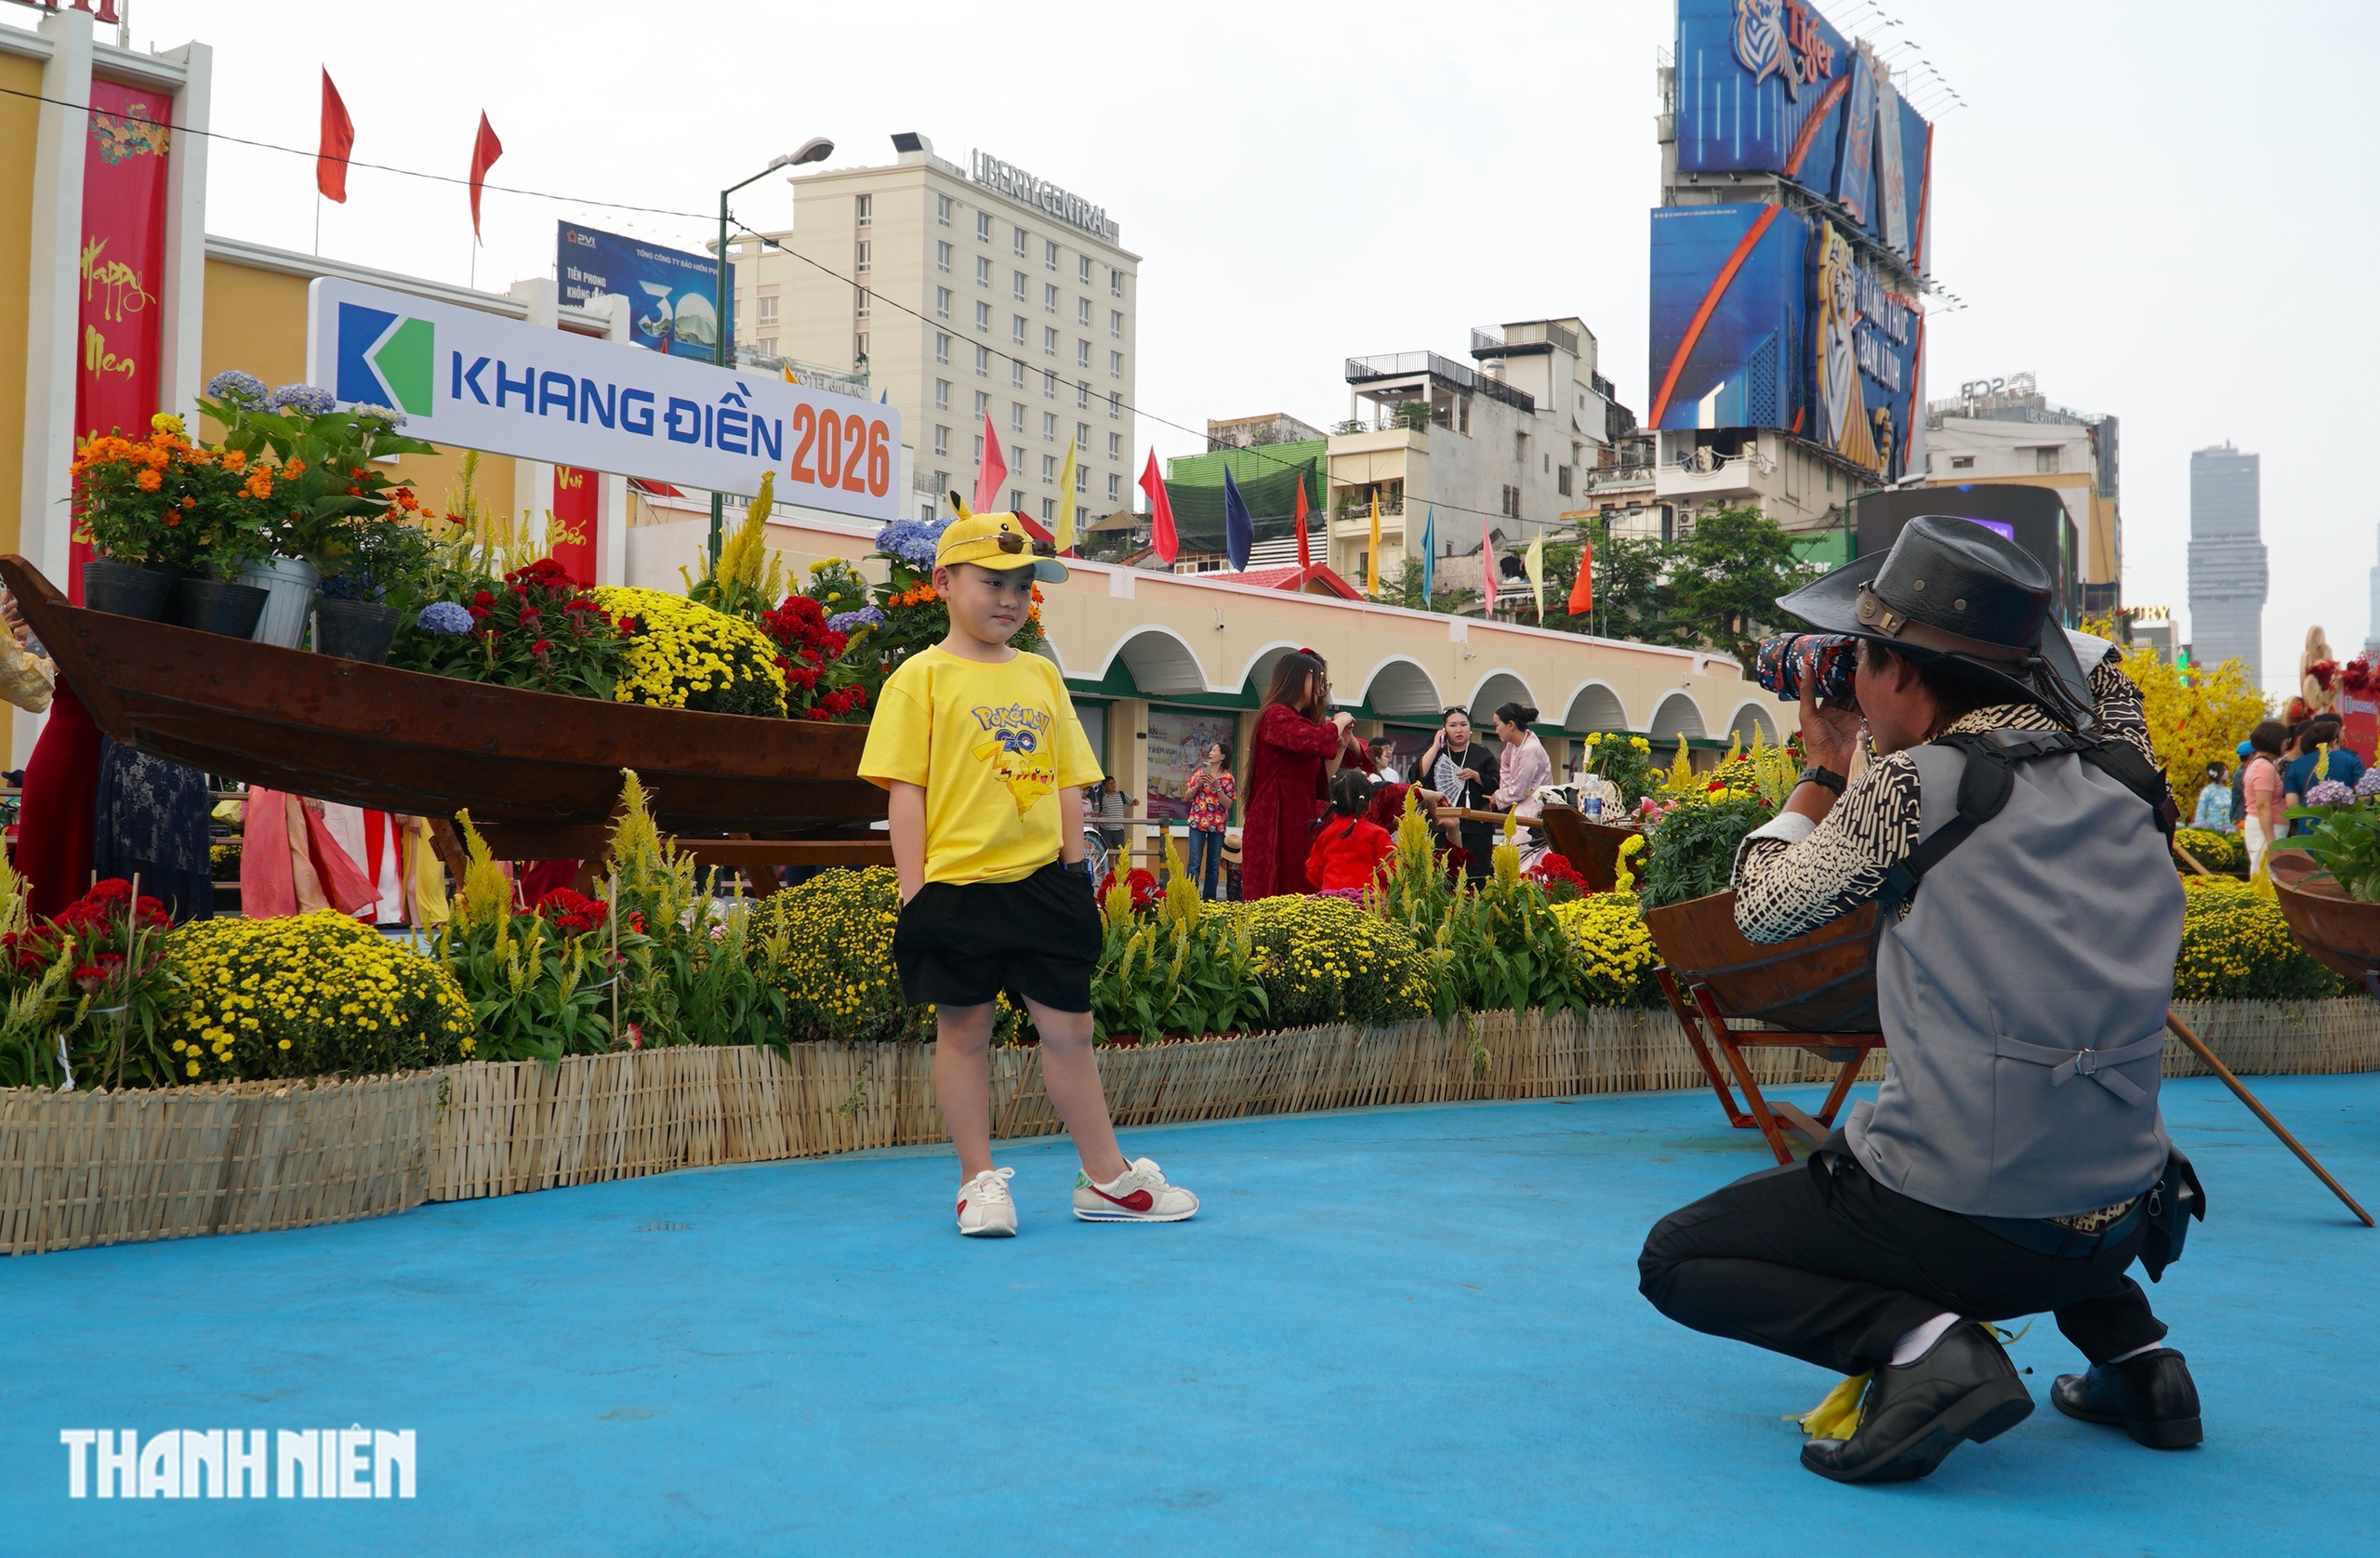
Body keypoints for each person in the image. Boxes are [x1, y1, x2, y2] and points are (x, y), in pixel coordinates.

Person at [1637, 515, 2202, 1485]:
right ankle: (2145, 1364)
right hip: (2127, 1212)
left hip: (1975, 1227)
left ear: (1898, 672)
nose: (1851, 682)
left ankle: (1928, 1349)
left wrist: (1823, 769)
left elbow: (1762, 910)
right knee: (2055, 1112)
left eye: (1859, 658)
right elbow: (2101, 678)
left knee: (1675, 1257)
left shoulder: (1914, 785)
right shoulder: (2126, 774)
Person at [860, 511, 1197, 1237]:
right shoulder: (919, 678)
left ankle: (1105, 1178)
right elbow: (905, 793)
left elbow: (1070, 781)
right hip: (956, 885)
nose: (1009, 599)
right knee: (965, 1031)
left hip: (1044, 883)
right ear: (943, 582)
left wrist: (1076, 874)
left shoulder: (1040, 674)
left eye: (1021, 586)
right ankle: (976, 1181)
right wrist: (916, 894)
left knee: (1071, 1030)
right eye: (992, 583)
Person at [1241, 649, 1371, 899]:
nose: (1322, 690)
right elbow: (1315, 739)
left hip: (1299, 820)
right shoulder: (1276, 715)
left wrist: (1341, 745)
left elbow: (1320, 784)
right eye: (1319, 680)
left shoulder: (1300, 722)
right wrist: (1339, 722)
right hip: (1274, 821)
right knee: (1275, 891)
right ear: (1298, 677)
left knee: (1300, 889)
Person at [1418, 706, 1501, 879]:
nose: (1459, 730)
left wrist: (1476, 776)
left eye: (1463, 724)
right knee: (1442, 878)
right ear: (1444, 730)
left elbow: (1497, 785)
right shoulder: (1437, 754)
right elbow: (1418, 776)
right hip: (1441, 827)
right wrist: (1435, 745)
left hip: (1476, 829)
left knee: (1476, 878)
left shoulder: (1482, 753)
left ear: (1469, 728)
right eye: (1453, 725)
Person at [1305, 770, 1395, 892]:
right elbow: (1391, 871)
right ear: (1368, 804)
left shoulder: (1325, 835)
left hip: (1331, 899)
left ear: (1332, 803)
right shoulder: (1377, 834)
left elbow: (1313, 872)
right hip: (1368, 899)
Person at [1488, 702, 1553, 866]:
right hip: (1519, 808)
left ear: (1510, 725)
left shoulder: (1530, 749)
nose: (1496, 731)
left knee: (1522, 863)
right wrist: (1505, 792)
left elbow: (1520, 791)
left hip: (1533, 809)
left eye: (1497, 725)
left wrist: (1499, 796)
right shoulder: (1512, 745)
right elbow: (1505, 767)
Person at [2282, 715, 2363, 835]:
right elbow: (2364, 797)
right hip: (2344, 828)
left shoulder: (2294, 765)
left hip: (2308, 828)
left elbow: (2291, 804)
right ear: (2333, 742)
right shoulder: (2351, 760)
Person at [1183, 741, 1236, 901]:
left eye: (1214, 750)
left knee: (1213, 864)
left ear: (1222, 756)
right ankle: (1191, 897)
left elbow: (1228, 804)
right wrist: (1198, 784)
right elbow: (1187, 796)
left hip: (1217, 826)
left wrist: (1217, 786)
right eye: (1211, 750)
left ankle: (1209, 899)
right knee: (1194, 862)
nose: (1210, 753)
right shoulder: (1200, 773)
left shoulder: (1227, 778)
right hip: (1197, 822)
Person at [2241, 720, 2285, 872]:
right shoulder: (2264, 767)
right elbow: (2263, 805)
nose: (2286, 744)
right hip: (2266, 829)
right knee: (2265, 872)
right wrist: (2271, 841)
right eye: (2285, 740)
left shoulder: (2261, 764)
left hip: (2266, 827)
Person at [2189, 762, 2231, 832]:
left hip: (2227, 830)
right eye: (2224, 770)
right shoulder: (2207, 791)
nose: (2227, 772)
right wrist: (2199, 828)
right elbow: (2200, 811)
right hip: (2212, 830)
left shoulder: (2228, 791)